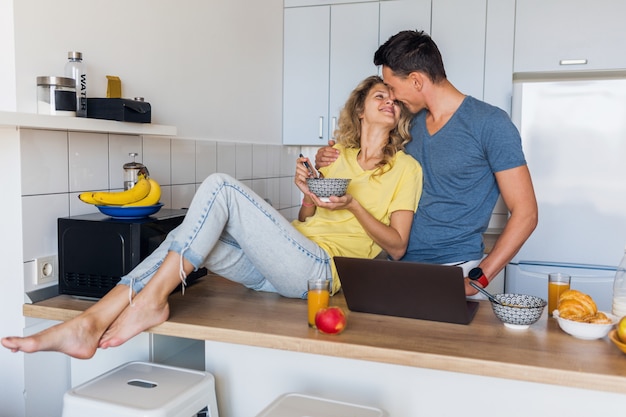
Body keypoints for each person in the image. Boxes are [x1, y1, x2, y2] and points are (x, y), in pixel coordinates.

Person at [2, 76, 422, 359]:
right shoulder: (333, 157)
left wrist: (353, 206)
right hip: (277, 267)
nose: (388, 101)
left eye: (393, 99)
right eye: (378, 96)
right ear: (361, 111)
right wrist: (307, 193)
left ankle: (150, 301)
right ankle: (89, 321)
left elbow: (397, 247)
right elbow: (306, 217)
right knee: (187, 231)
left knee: (220, 186)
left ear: (399, 116)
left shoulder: (407, 169)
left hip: (320, 275)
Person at [316, 30, 538, 297]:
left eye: (394, 88)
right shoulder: (409, 125)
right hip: (397, 268)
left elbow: (526, 213)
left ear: (416, 81)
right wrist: (327, 158)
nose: (393, 97)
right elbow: (367, 157)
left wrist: (480, 278)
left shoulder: (490, 123)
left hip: (454, 270)